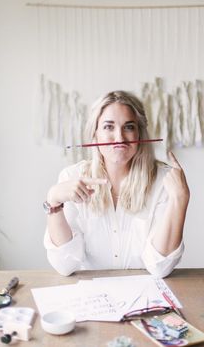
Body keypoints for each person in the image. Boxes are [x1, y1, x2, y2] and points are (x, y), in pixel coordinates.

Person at [43, 90, 190, 277]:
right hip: (91, 298)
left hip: (146, 296)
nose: (119, 138)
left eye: (128, 127)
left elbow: (159, 267)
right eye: (108, 127)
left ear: (140, 134)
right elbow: (65, 266)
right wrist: (54, 202)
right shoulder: (71, 177)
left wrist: (180, 199)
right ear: (94, 134)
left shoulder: (164, 181)